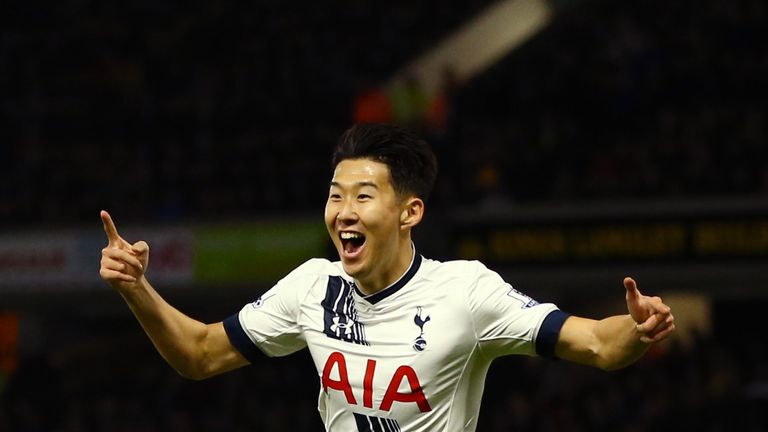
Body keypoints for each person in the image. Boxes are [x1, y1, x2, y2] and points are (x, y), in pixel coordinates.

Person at [99, 123, 675, 431]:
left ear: (410, 212)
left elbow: (597, 343)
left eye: (363, 196)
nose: (343, 211)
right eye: (334, 196)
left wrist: (638, 328)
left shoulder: (466, 291)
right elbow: (200, 353)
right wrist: (136, 288)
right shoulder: (311, 287)